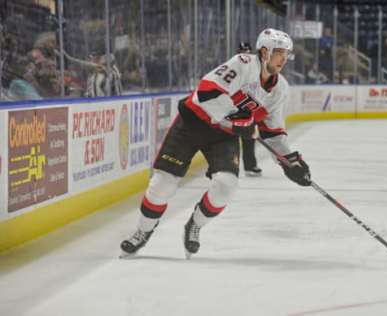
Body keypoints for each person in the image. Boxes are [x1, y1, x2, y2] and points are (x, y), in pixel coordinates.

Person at [120, 28, 312, 259]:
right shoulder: (242, 64)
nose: (284, 59)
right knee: (163, 184)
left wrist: (290, 161)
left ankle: (195, 225)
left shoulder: (280, 90)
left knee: (226, 185)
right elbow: (207, 92)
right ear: (264, 51)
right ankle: (143, 231)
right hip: (193, 122)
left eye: (287, 53)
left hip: (223, 135)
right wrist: (238, 121)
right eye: (279, 52)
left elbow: (273, 133)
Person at [236, 41, 262, 176]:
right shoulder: (233, 66)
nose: (245, 53)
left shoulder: (256, 67)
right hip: (233, 108)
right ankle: (224, 167)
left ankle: (250, 166)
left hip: (249, 107)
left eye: (247, 50)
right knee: (228, 139)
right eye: (242, 50)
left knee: (249, 138)